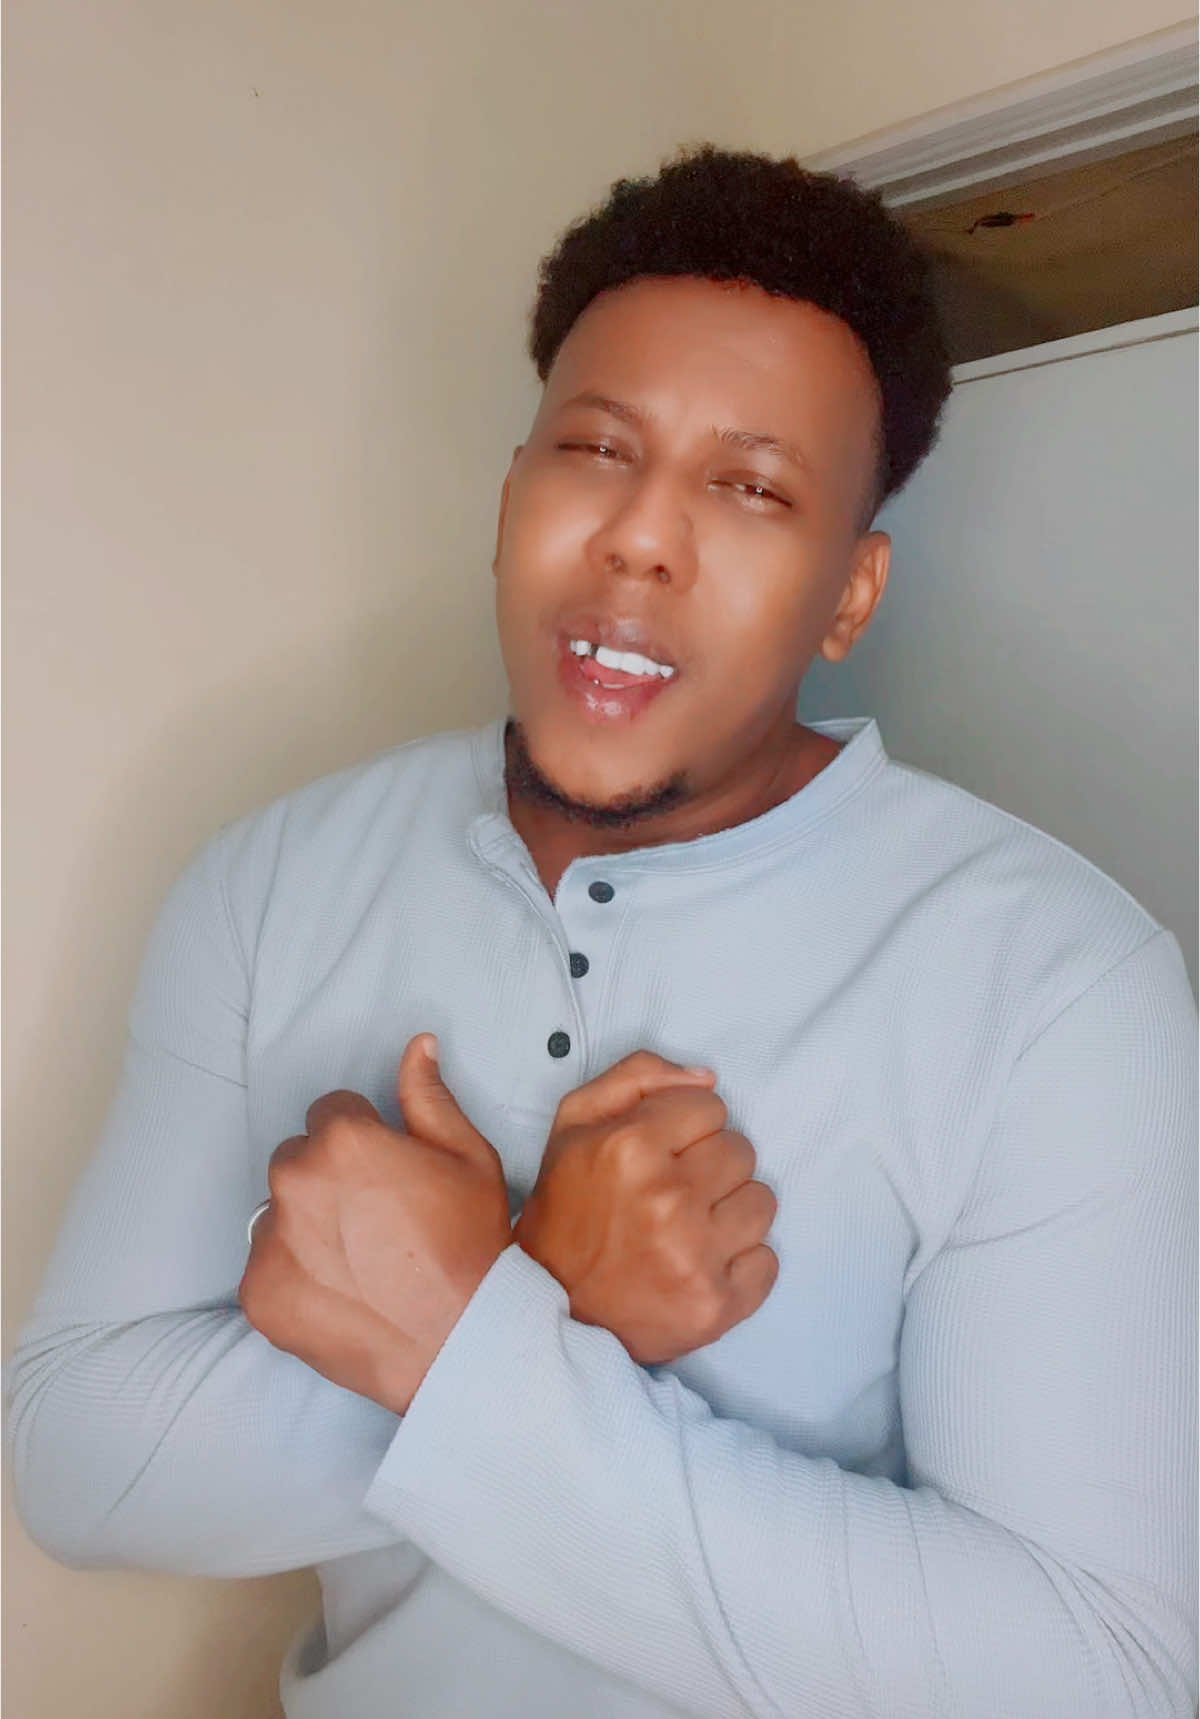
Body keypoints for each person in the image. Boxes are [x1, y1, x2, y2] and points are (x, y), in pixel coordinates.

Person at [7, 145, 1196, 1719]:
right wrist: (549, 1283)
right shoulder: (269, 878)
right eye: (596, 449)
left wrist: (474, 1339)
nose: (642, 537)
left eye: (751, 487)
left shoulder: (1057, 983)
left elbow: (1099, 1672)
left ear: (851, 596)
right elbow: (78, 1461)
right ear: (512, 500)